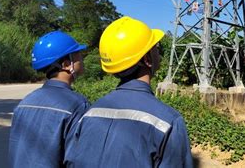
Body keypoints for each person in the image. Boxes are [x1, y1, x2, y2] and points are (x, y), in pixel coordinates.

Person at [65, 16, 193, 168]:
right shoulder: (169, 122)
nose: (158, 53)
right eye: (155, 48)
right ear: (147, 59)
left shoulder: (88, 114)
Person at [9, 31, 89, 168]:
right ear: (66, 64)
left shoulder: (25, 102)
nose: (82, 59)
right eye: (78, 55)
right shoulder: (78, 105)